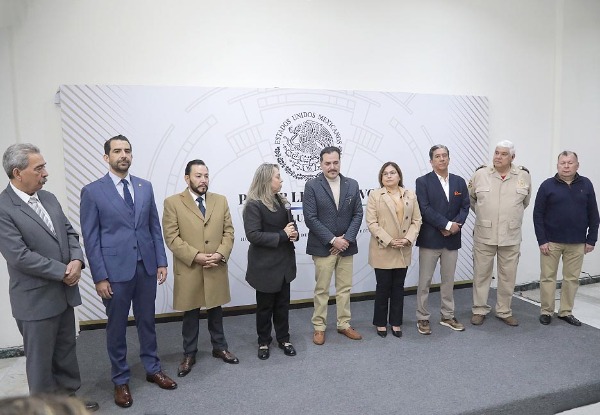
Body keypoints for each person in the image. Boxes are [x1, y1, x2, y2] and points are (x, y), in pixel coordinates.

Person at [80, 135, 176, 409]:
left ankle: (152, 368)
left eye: (127, 151)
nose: (123, 155)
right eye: (117, 151)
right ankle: (120, 379)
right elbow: (91, 238)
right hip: (114, 272)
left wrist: (161, 261)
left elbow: (153, 227)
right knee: (117, 327)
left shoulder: (145, 187)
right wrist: (100, 277)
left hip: (146, 267)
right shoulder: (92, 191)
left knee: (147, 321)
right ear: (106, 157)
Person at [0, 144, 98, 412]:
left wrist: (76, 261)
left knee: (66, 352)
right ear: (18, 172)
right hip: (35, 300)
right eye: (39, 168)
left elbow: (70, 233)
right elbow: (19, 256)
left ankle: (68, 401)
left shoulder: (49, 198)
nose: (45, 173)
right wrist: (63, 272)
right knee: (41, 363)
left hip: (63, 295)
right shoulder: (3, 208)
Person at [162, 159, 238, 377]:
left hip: (215, 265)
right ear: (187, 178)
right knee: (190, 313)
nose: (203, 180)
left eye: (206, 176)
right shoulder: (173, 203)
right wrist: (196, 256)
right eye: (198, 176)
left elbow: (229, 232)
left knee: (216, 310)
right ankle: (189, 354)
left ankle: (220, 347)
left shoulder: (220, 201)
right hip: (190, 267)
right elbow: (172, 237)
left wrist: (220, 254)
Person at [303, 146, 364, 345]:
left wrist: (346, 239)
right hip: (323, 247)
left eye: (335, 162)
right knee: (322, 289)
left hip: (346, 246)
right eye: (328, 163)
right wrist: (332, 240)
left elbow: (358, 214)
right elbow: (310, 218)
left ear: (340, 162)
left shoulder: (352, 184)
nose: (332, 167)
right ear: (321, 164)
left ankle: (343, 324)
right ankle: (319, 327)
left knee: (344, 288)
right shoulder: (312, 186)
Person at [468, 140, 531, 327]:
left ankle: (504, 311)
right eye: (496, 153)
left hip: (510, 235)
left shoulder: (523, 175)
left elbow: (525, 202)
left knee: (507, 276)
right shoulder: (480, 174)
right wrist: (486, 216)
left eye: (503, 154)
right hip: (484, 234)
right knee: (481, 274)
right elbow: (472, 200)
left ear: (512, 157)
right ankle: (479, 309)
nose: (498, 157)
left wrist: (509, 218)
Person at [533, 151, 599, 326]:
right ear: (557, 165)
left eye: (570, 163)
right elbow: (537, 215)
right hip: (551, 242)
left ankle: (566, 311)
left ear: (577, 165)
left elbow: (594, 213)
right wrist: (542, 240)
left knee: (571, 279)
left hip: (577, 242)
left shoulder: (586, 184)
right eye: (563, 163)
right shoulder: (547, 186)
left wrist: (591, 239)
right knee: (548, 277)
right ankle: (546, 311)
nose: (566, 166)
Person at [243, 163, 298, 359]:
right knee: (265, 307)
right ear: (266, 179)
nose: (281, 180)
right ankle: (263, 341)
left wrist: (294, 234)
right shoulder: (253, 205)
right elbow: (253, 235)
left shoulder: (281, 201)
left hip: (284, 263)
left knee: (283, 305)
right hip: (265, 266)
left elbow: (291, 227)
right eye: (277, 176)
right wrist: (283, 235)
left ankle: (284, 339)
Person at [415, 145, 469, 335]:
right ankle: (422, 317)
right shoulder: (422, 182)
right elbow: (424, 208)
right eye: (437, 156)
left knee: (448, 280)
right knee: (425, 281)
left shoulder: (459, 182)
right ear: (431, 161)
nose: (442, 159)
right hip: (430, 239)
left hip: (451, 240)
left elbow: (465, 207)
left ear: (449, 159)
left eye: (444, 155)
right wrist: (446, 225)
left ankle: (447, 316)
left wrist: (455, 226)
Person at [366, 162, 421, 338]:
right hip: (383, 248)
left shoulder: (410, 194)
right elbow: (372, 223)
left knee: (398, 287)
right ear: (381, 178)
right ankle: (380, 323)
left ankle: (396, 322)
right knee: (383, 287)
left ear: (399, 176)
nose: (389, 176)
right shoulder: (375, 195)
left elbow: (417, 220)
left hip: (403, 248)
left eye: (392, 172)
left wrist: (408, 239)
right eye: (385, 173)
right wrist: (389, 241)